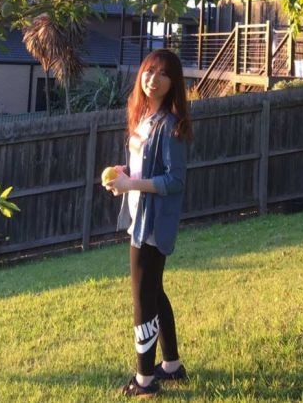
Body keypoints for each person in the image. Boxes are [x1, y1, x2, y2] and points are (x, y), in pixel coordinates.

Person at [103, 49, 193, 398]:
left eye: (163, 74)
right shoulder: (144, 119)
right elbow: (144, 168)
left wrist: (132, 185)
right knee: (154, 291)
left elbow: (175, 181)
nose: (153, 79)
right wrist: (123, 177)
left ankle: (144, 380)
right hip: (139, 216)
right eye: (149, 71)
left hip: (153, 224)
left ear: (173, 84)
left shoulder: (171, 126)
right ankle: (171, 366)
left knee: (142, 299)